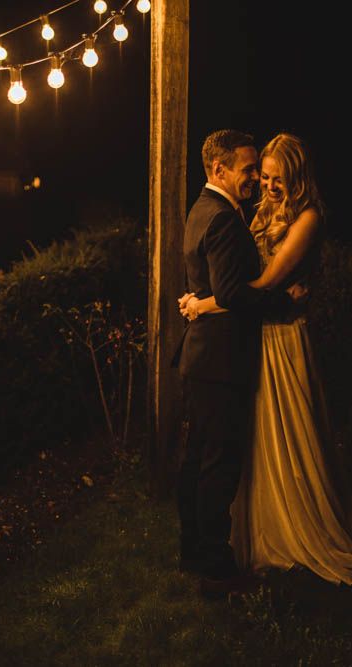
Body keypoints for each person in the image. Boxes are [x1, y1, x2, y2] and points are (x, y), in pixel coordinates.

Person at [180, 133, 352, 586]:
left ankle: (294, 529)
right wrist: (210, 297)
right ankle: (247, 538)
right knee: (249, 446)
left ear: (298, 176)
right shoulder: (256, 213)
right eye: (264, 175)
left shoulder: (308, 218)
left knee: (287, 438)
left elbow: (266, 285)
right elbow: (238, 280)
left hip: (284, 340)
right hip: (255, 339)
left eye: (278, 177)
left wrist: (203, 303)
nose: (268, 184)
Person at [172, 129, 299, 599]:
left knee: (197, 460)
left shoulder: (202, 208)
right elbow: (230, 293)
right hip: (221, 359)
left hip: (202, 355)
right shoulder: (224, 219)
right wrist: (282, 301)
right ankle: (219, 572)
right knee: (218, 466)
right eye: (247, 169)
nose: (253, 177)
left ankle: (192, 553)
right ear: (219, 169)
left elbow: (212, 288)